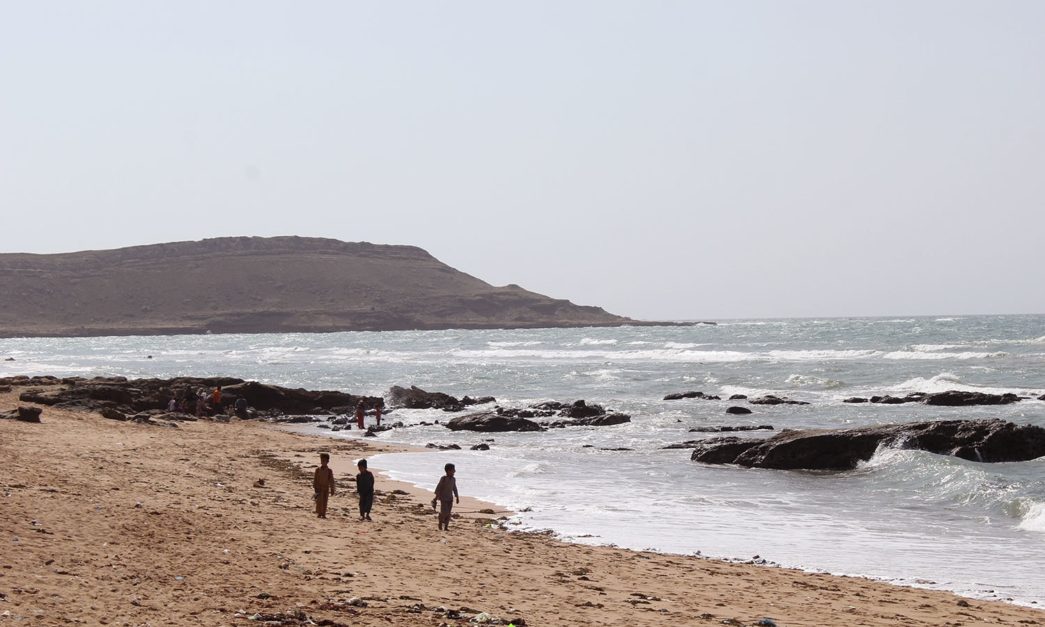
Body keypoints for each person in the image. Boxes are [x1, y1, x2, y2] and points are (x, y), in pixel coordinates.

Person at [432, 463, 459, 531]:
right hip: (443, 498)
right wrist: (436, 497)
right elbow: (439, 487)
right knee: (444, 512)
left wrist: (457, 496)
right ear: (448, 471)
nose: (454, 471)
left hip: (450, 498)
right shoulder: (443, 478)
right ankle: (440, 521)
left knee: (449, 513)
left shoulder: (453, 479)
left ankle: (446, 527)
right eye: (453, 470)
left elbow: (454, 488)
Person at [313, 453, 336, 518]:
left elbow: (331, 480)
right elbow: (315, 479)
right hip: (319, 488)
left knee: (325, 501)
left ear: (327, 461)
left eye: (324, 461)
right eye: (322, 460)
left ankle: (323, 514)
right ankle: (319, 513)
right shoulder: (317, 470)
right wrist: (315, 486)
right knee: (319, 501)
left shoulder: (329, 471)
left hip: (326, 488)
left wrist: (332, 489)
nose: (323, 462)